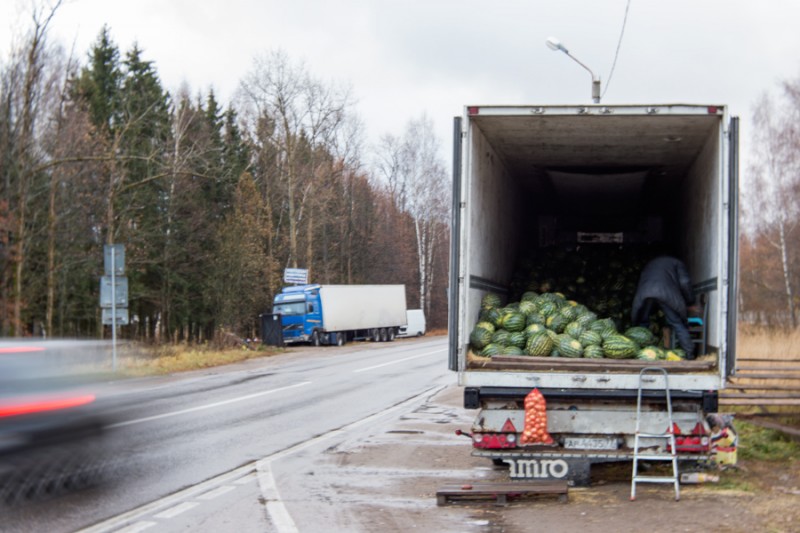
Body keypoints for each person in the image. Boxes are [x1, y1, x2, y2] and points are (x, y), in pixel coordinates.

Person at [631, 255, 697, 359]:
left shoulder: (651, 263)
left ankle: (640, 353)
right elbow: (685, 282)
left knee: (643, 323)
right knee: (677, 323)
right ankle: (689, 354)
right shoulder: (677, 263)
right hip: (665, 293)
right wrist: (690, 301)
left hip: (646, 293)